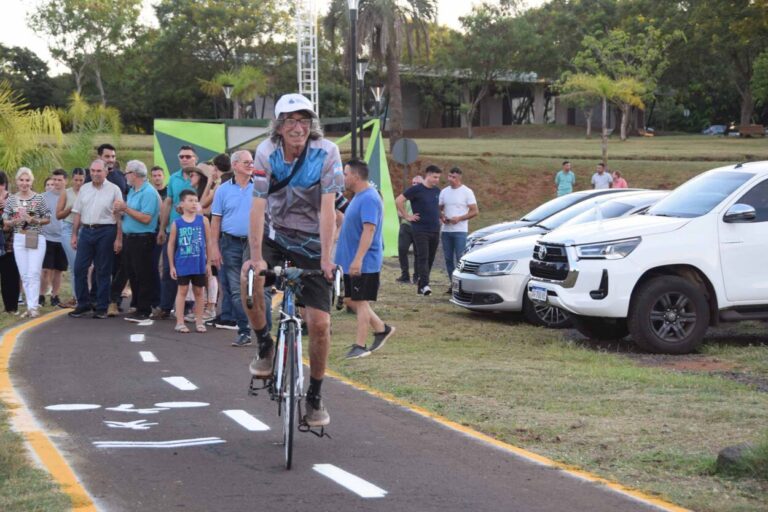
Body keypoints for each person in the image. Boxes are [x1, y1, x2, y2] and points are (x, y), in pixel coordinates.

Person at [242, 93, 344, 427]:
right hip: (274, 235)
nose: (297, 127)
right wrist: (256, 257)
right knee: (250, 280)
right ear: (279, 126)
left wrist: (327, 259)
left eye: (303, 120)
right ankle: (264, 345)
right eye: (290, 120)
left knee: (320, 324)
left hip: (313, 242)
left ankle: (314, 394)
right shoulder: (266, 152)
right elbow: (257, 205)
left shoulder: (327, 153)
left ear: (311, 125)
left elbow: (329, 209)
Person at [335, 160, 395, 359]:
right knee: (349, 299)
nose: (343, 178)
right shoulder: (358, 197)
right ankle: (381, 328)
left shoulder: (369, 198)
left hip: (364, 262)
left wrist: (358, 259)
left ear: (355, 176)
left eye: (345, 174)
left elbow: (369, 230)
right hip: (350, 261)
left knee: (360, 302)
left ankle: (360, 346)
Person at [209, 151, 254, 346]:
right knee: (236, 291)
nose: (251, 165)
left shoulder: (262, 187)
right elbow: (215, 220)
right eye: (246, 162)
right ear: (235, 165)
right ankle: (244, 330)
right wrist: (214, 248)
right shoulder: (222, 190)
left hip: (256, 244)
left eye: (252, 162)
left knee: (258, 289)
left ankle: (264, 331)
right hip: (230, 243)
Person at [68, 159, 123, 319]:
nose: (95, 174)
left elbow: (119, 215)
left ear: (106, 172)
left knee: (103, 270)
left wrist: (119, 238)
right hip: (86, 230)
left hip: (106, 231)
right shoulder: (84, 188)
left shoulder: (114, 190)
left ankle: (101, 306)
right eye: (92, 170)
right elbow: (77, 212)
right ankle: (83, 304)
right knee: (79, 268)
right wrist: (74, 234)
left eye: (98, 171)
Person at [114, 160, 161, 323]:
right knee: (133, 273)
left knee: (143, 274)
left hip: (143, 239)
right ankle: (139, 306)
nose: (125, 176)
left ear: (134, 174)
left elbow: (147, 218)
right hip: (130, 238)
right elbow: (132, 213)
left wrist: (126, 209)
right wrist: (121, 211)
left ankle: (145, 308)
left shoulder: (148, 192)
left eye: (126, 173)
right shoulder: (133, 190)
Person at [3, 167, 51, 318]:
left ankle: (33, 306)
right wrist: (12, 221)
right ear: (17, 181)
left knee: (34, 272)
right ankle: (30, 306)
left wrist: (34, 220)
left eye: (27, 180)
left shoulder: (39, 198)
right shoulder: (11, 199)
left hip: (34, 235)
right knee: (24, 274)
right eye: (21, 180)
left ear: (32, 181)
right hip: (18, 237)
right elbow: (5, 220)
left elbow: (48, 218)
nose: (24, 183)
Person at [156, 146, 197, 319]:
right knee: (168, 269)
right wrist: (161, 229)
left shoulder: (201, 178)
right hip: (173, 230)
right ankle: (165, 306)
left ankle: (190, 307)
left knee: (192, 270)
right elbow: (168, 203)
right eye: (181, 156)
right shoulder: (174, 178)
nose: (184, 159)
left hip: (194, 232)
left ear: (195, 158)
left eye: (188, 156)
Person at [168, 189, 211, 333]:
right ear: (182, 203)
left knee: (199, 291)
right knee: (182, 290)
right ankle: (180, 322)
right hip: (182, 263)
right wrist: (172, 265)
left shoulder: (203, 221)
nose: (194, 204)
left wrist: (209, 263)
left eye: (196, 200)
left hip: (198, 262)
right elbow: (171, 245)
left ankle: (199, 321)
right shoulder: (177, 223)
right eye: (190, 200)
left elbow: (209, 242)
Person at [396, 165, 442, 296]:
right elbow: (398, 200)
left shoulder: (437, 191)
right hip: (420, 229)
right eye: (435, 177)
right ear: (428, 175)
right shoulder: (416, 189)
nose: (437, 180)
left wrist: (442, 216)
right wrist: (406, 216)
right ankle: (426, 285)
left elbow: (436, 208)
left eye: (438, 177)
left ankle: (421, 285)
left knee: (431, 258)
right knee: (423, 256)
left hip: (435, 229)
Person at [439, 166, 478, 289]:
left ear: (459, 178)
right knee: (448, 259)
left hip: (460, 230)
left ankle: (462, 284)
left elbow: (475, 211)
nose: (450, 179)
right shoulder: (444, 191)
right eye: (449, 176)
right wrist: (442, 216)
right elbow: (439, 208)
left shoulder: (467, 192)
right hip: (446, 230)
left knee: (460, 258)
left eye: (453, 177)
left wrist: (459, 218)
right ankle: (453, 284)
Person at [56, 167, 85, 308]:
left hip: (84, 229)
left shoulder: (88, 192)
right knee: (75, 265)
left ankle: (86, 296)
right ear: (72, 179)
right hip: (68, 228)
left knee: (87, 266)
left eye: (81, 180)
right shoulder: (66, 193)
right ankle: (76, 297)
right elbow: (58, 215)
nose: (78, 183)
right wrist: (70, 208)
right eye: (76, 180)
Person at [41, 169, 69, 307]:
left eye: (59, 180)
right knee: (46, 269)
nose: (56, 182)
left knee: (59, 270)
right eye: (54, 180)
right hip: (46, 238)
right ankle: (41, 295)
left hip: (64, 238)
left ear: (65, 181)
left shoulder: (70, 196)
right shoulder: (43, 197)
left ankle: (55, 296)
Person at [0, 171, 20, 314]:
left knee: (10, 277)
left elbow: (19, 220)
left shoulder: (13, 200)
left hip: (10, 245)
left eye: (1, 185)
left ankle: (11, 307)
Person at [396, 175, 423, 284]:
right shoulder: (406, 196)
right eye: (413, 183)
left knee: (418, 253)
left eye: (417, 183)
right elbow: (398, 210)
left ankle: (417, 276)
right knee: (402, 250)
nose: (414, 185)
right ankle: (405, 275)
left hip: (419, 228)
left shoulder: (423, 196)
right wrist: (406, 216)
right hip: (406, 226)